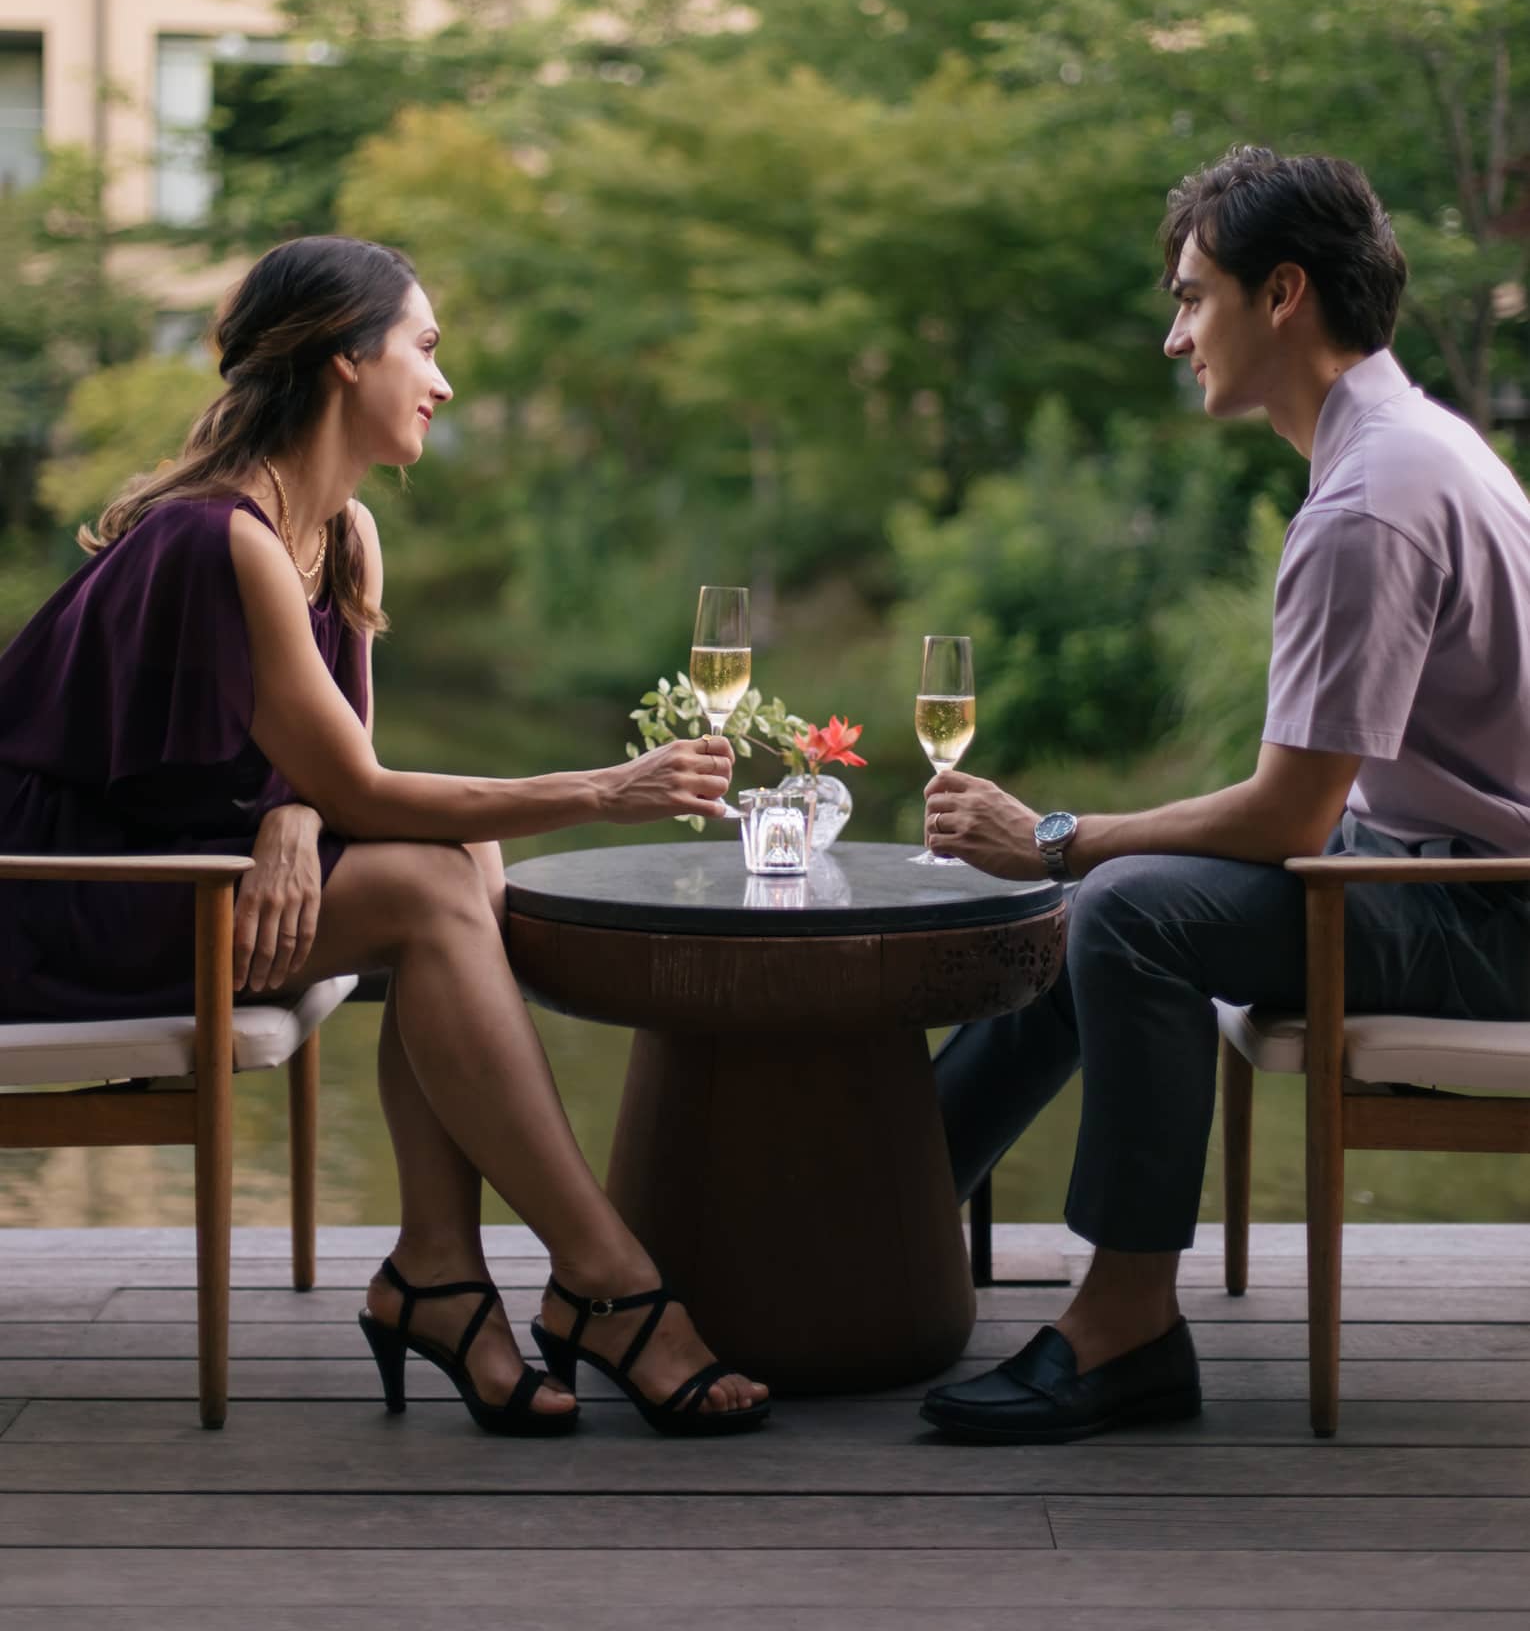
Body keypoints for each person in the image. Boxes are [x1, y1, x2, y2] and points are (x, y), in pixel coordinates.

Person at [0, 235, 769, 1439]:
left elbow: (333, 769)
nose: (442, 382)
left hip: (188, 871)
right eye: (425, 346)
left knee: (460, 860)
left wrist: (295, 813)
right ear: (347, 359)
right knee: (425, 887)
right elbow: (366, 788)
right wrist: (603, 787)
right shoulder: (218, 537)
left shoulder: (341, 531)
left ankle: (441, 1274)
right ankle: (603, 1276)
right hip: (62, 895)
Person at [919, 147, 1530, 1445]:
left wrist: (1055, 837)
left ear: (1283, 294)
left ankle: (1124, 1325)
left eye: (1193, 298)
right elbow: (1309, 804)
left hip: (1492, 913)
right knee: (1099, 905)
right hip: (1426, 865)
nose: (1173, 335)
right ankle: (886, 1214)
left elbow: (1286, 820)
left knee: (1128, 908)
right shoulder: (1411, 448)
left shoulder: (1371, 502)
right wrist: (1073, 860)